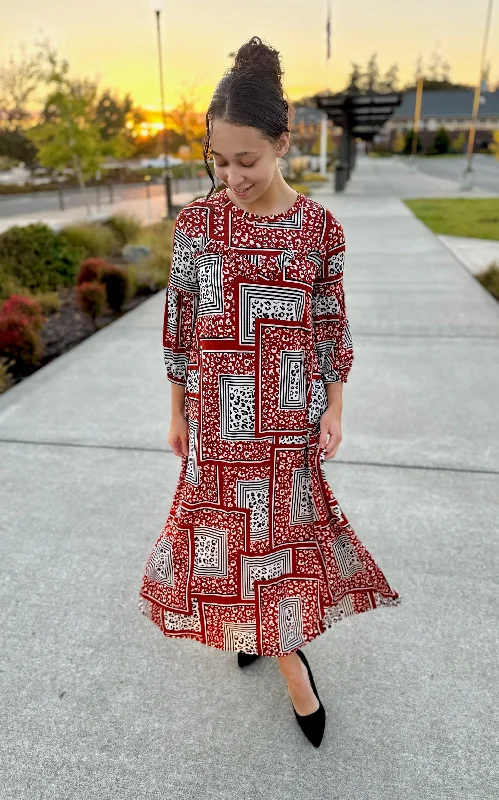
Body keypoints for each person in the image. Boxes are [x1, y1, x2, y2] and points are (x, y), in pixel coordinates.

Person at [138, 35, 401, 748]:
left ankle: (289, 668)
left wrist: (335, 410)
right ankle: (275, 645)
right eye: (217, 161)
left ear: (284, 141)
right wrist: (176, 413)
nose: (230, 176)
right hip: (217, 421)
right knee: (231, 539)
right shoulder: (197, 225)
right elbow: (181, 319)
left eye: (245, 160)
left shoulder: (320, 229)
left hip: (288, 419)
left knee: (278, 543)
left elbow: (328, 324)